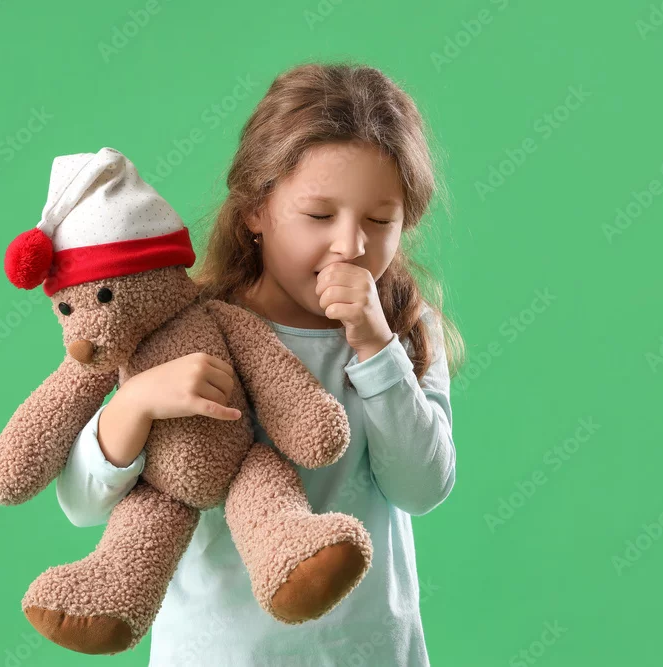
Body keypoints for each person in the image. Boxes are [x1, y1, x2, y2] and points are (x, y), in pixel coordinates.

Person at [55, 61, 463, 667]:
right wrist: (134, 404)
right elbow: (82, 504)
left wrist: (377, 349)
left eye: (380, 221)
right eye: (319, 215)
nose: (351, 245)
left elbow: (421, 488)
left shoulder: (406, 327)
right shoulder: (184, 327)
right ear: (255, 210)